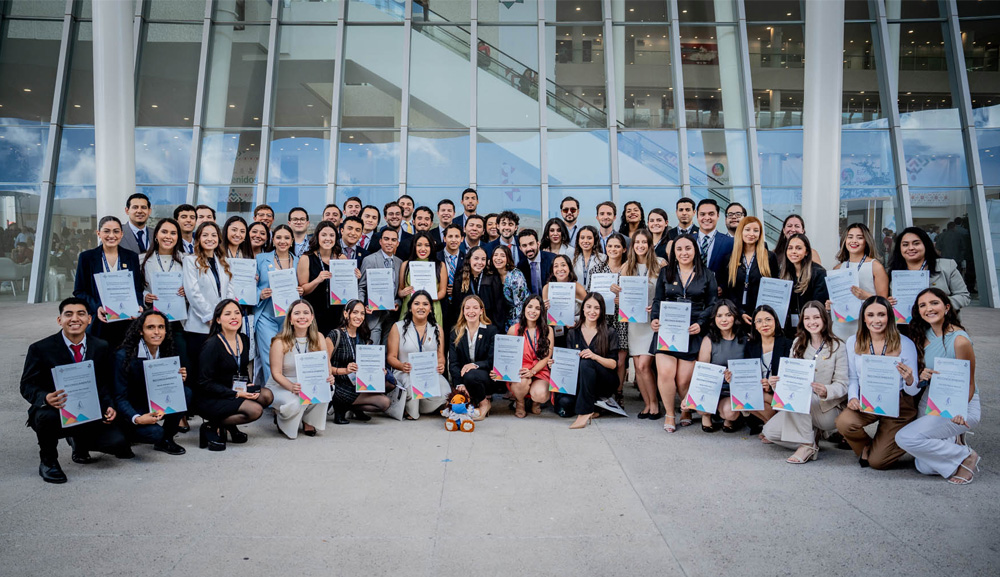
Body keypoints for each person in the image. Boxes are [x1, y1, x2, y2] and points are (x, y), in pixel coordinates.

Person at [20, 298, 131, 483]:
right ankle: (48, 461)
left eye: (80, 314)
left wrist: (109, 405)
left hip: (89, 409)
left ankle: (78, 442)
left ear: (89, 319)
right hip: (56, 410)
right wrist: (45, 397)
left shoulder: (100, 346)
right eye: (68, 314)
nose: (74, 319)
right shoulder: (40, 348)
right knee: (46, 417)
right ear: (59, 320)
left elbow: (103, 383)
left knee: (117, 443)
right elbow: (26, 385)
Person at [896, 288, 981, 484]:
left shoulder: (959, 341)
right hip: (932, 398)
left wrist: (958, 410)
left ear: (947, 307)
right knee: (925, 467)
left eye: (934, 303)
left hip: (961, 402)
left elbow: (969, 382)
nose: (929, 308)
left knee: (905, 438)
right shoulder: (922, 333)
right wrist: (923, 375)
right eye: (922, 305)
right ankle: (955, 445)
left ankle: (967, 455)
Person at [835, 295, 920, 470]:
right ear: (864, 318)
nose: (876, 320)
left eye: (881, 314)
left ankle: (880, 448)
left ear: (889, 316)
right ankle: (868, 446)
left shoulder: (905, 343)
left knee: (877, 463)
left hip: (899, 403)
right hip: (868, 399)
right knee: (844, 422)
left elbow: (913, 391)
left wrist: (910, 380)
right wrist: (852, 397)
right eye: (871, 315)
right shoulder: (853, 342)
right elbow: (853, 377)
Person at [762, 301, 848, 463]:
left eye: (816, 317)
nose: (812, 322)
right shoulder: (797, 343)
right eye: (807, 318)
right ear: (802, 321)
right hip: (801, 407)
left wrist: (826, 390)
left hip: (826, 407)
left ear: (825, 319)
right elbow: (790, 379)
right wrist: (777, 384)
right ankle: (812, 434)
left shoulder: (838, 346)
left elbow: (843, 384)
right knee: (769, 432)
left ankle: (807, 445)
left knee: (801, 397)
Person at [650, 234, 717, 432]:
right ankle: (670, 414)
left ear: (695, 250)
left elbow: (713, 304)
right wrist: (655, 318)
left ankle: (686, 410)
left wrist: (702, 323)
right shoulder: (666, 273)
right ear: (674, 253)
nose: (684, 252)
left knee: (683, 379)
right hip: (668, 329)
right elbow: (658, 300)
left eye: (688, 248)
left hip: (693, 330)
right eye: (679, 249)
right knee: (665, 373)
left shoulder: (707, 274)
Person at [192, 299, 272, 451]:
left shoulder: (243, 339)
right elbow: (204, 383)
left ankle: (229, 425)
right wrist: (236, 394)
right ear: (218, 319)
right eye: (227, 314)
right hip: (211, 396)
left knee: (266, 395)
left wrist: (247, 386)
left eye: (237, 313)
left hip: (234, 389)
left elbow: (241, 369)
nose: (234, 317)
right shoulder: (212, 345)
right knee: (255, 410)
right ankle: (211, 425)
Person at [113, 310, 191, 455]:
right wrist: (137, 418)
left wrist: (177, 380)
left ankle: (167, 440)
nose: (157, 332)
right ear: (140, 331)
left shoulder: (167, 349)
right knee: (155, 433)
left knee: (185, 392)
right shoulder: (124, 356)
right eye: (150, 327)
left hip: (155, 401)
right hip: (134, 408)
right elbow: (119, 397)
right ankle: (125, 435)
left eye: (161, 327)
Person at [265, 299, 332, 439]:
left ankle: (309, 421)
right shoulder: (279, 341)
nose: (302, 316)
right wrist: (291, 386)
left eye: (306, 313)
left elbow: (326, 365)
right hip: (283, 384)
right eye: (297, 313)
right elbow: (276, 373)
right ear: (290, 319)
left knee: (328, 388)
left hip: (307, 382)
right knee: (295, 402)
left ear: (312, 317)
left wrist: (329, 376)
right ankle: (282, 420)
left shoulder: (319, 337)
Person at [74, 216, 143, 349]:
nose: (112, 235)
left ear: (122, 234)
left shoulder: (131, 257)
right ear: (98, 233)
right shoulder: (87, 258)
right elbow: (79, 291)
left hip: (126, 321)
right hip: (100, 322)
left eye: (116, 231)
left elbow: (137, 288)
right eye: (107, 231)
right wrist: (97, 307)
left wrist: (138, 305)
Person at [182, 222, 235, 384]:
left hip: (221, 324)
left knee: (216, 370)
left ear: (219, 239)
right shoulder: (190, 261)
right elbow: (193, 292)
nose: (209, 239)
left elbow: (229, 290)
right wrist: (211, 317)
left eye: (213, 235)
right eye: (205, 235)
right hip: (200, 325)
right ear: (198, 239)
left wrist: (227, 315)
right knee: (200, 370)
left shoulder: (223, 261)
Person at [620, 229, 664, 419]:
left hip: (651, 323)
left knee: (645, 365)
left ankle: (655, 404)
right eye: (636, 242)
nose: (640, 246)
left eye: (644, 242)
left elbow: (667, 293)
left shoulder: (660, 264)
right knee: (637, 367)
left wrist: (655, 307)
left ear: (649, 244)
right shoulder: (626, 267)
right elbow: (623, 297)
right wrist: (617, 295)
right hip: (634, 324)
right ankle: (647, 405)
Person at [327, 300, 394, 424]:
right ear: (346, 314)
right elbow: (324, 367)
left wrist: (378, 371)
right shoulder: (335, 335)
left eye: (362, 313)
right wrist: (344, 370)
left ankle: (351, 407)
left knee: (390, 383)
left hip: (358, 382)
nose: (359, 317)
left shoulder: (363, 335)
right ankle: (340, 406)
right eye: (355, 313)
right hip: (340, 384)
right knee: (384, 403)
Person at [386, 291, 450, 420]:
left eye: (425, 304)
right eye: (417, 304)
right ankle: (411, 409)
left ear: (430, 309)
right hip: (405, 373)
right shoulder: (397, 327)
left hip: (429, 373)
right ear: (410, 308)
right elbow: (391, 357)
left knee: (446, 391)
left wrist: (441, 365)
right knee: (411, 385)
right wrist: (401, 365)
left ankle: (418, 405)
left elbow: (440, 356)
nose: (421, 307)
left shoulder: (437, 328)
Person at [560, 293, 619, 429]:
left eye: (597, 308)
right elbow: (571, 363)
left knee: (587, 362)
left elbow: (613, 364)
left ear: (602, 310)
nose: (592, 311)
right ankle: (595, 406)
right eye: (588, 307)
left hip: (605, 381)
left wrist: (594, 356)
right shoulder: (573, 332)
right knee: (564, 404)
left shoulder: (609, 332)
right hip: (582, 382)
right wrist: (556, 364)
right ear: (583, 309)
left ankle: (585, 412)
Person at [254, 224, 304, 385]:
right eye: (279, 237)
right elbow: (250, 286)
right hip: (266, 316)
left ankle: (286, 391)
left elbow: (304, 284)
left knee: (287, 357)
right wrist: (260, 294)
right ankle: (271, 396)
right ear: (273, 240)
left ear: (292, 241)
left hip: (289, 319)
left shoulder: (298, 261)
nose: (283, 241)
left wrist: (300, 289)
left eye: (287, 238)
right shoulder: (261, 259)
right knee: (269, 355)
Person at [139, 218, 188, 375]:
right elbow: (134, 289)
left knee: (181, 362)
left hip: (178, 321)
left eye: (173, 233)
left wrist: (187, 293)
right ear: (156, 235)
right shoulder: (142, 260)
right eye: (164, 232)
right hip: (153, 320)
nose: (168, 236)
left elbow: (196, 287)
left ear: (178, 237)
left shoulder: (187, 260)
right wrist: (145, 296)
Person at [828, 223, 889, 341]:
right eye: (850, 237)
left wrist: (866, 296)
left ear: (866, 241)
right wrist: (830, 305)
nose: (854, 241)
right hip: (840, 325)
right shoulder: (837, 268)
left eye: (859, 237)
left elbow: (884, 303)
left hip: (865, 325)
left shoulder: (875, 266)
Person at [889, 226, 971, 312]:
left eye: (916, 243)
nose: (911, 248)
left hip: (942, 323)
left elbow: (963, 296)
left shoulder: (947, 266)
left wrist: (939, 304)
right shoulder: (893, 272)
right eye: (905, 245)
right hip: (907, 323)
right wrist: (888, 303)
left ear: (926, 245)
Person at [696, 299, 749, 432]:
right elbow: (702, 372)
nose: (724, 320)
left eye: (728, 315)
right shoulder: (708, 340)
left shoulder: (745, 339)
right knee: (701, 406)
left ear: (735, 317)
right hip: (712, 387)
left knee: (730, 413)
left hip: (732, 389)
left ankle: (726, 418)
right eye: (719, 316)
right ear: (714, 319)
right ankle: (707, 415)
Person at [745, 305, 792, 436]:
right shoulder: (750, 346)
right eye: (759, 321)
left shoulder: (788, 344)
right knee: (743, 395)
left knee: (757, 395)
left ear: (776, 321)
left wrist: (771, 387)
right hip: (761, 393)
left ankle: (773, 429)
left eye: (768, 319)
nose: (764, 324)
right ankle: (770, 426)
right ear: (754, 325)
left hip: (780, 394)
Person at [448, 295, 498, 420]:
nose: (471, 311)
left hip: (486, 377)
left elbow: (492, 360)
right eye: (467, 308)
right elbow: (453, 363)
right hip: (463, 378)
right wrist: (459, 383)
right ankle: (473, 398)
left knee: (471, 375)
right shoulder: (455, 332)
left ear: (481, 311)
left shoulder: (491, 331)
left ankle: (484, 403)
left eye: (475, 308)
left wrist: (475, 365)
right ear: (463, 311)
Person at [297, 221, 349, 337]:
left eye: (331, 235)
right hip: (315, 312)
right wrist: (317, 280)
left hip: (337, 312)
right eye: (324, 235)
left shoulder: (342, 258)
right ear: (317, 236)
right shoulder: (306, 258)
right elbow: (303, 290)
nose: (328, 239)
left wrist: (355, 276)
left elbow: (347, 286)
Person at [592, 233, 629, 397]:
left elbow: (637, 296)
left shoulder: (630, 269)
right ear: (605, 248)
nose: (613, 249)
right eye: (610, 246)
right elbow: (589, 295)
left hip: (622, 319)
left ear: (624, 249)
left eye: (617, 246)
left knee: (620, 360)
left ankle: (619, 393)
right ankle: (603, 394)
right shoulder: (597, 270)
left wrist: (624, 300)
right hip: (602, 319)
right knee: (602, 356)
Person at [723, 216, 778, 324]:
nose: (751, 234)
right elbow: (729, 290)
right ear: (741, 232)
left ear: (760, 234)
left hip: (762, 315)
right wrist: (739, 312)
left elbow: (774, 287)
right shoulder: (730, 258)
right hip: (737, 315)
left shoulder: (769, 257)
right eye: (747, 229)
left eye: (756, 230)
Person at [507, 295, 553, 418]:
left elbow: (547, 357)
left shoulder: (548, 330)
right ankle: (520, 402)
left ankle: (535, 401)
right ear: (524, 309)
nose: (533, 311)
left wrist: (533, 371)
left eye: (537, 308)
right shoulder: (513, 329)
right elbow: (507, 355)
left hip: (539, 369)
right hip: (520, 369)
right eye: (530, 307)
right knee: (521, 383)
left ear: (541, 311)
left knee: (541, 394)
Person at [358, 227, 403, 345]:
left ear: (397, 243)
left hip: (392, 314)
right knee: (374, 348)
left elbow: (399, 290)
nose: (389, 242)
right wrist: (362, 306)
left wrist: (398, 302)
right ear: (380, 241)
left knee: (389, 349)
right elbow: (361, 287)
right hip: (373, 314)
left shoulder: (400, 262)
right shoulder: (369, 260)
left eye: (393, 240)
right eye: (386, 239)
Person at [779, 233, 828, 336]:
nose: (793, 252)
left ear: (806, 252)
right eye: (790, 248)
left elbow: (818, 304)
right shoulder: (783, 273)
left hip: (811, 328)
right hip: (788, 329)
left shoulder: (818, 273)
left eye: (798, 248)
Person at [398, 231, 448, 323]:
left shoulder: (440, 265)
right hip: (409, 308)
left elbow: (442, 292)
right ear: (414, 246)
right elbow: (400, 291)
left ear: (432, 247)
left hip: (431, 308)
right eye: (419, 245)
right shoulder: (405, 265)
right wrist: (403, 292)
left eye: (427, 245)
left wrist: (426, 299)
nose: (423, 249)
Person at [451, 246, 504, 329]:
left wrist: (495, 328)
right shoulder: (460, 278)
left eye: (483, 259)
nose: (480, 262)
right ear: (469, 260)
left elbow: (498, 306)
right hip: (466, 325)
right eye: (476, 258)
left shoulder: (492, 277)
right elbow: (457, 306)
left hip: (488, 324)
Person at [542, 254, 590, 346]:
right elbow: (544, 317)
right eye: (556, 266)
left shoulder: (577, 288)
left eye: (563, 265)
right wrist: (544, 309)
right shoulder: (547, 288)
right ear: (552, 270)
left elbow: (589, 311)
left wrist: (575, 320)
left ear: (569, 268)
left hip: (574, 330)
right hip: (554, 330)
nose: (560, 269)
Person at [490, 244, 529, 331]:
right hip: (500, 318)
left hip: (518, 318)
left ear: (508, 259)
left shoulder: (516, 275)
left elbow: (520, 304)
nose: (498, 258)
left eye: (502, 256)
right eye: (495, 255)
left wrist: (515, 327)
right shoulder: (492, 274)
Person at [693, 198, 734, 278]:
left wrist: (723, 286)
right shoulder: (688, 240)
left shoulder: (730, 242)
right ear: (697, 216)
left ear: (718, 216)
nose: (707, 218)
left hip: (718, 289)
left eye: (711, 214)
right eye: (702, 214)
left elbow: (734, 271)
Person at [518, 228, 555, 296]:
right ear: (520, 248)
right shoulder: (520, 266)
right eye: (524, 245)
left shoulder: (552, 259)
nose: (528, 248)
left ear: (538, 244)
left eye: (531, 244)